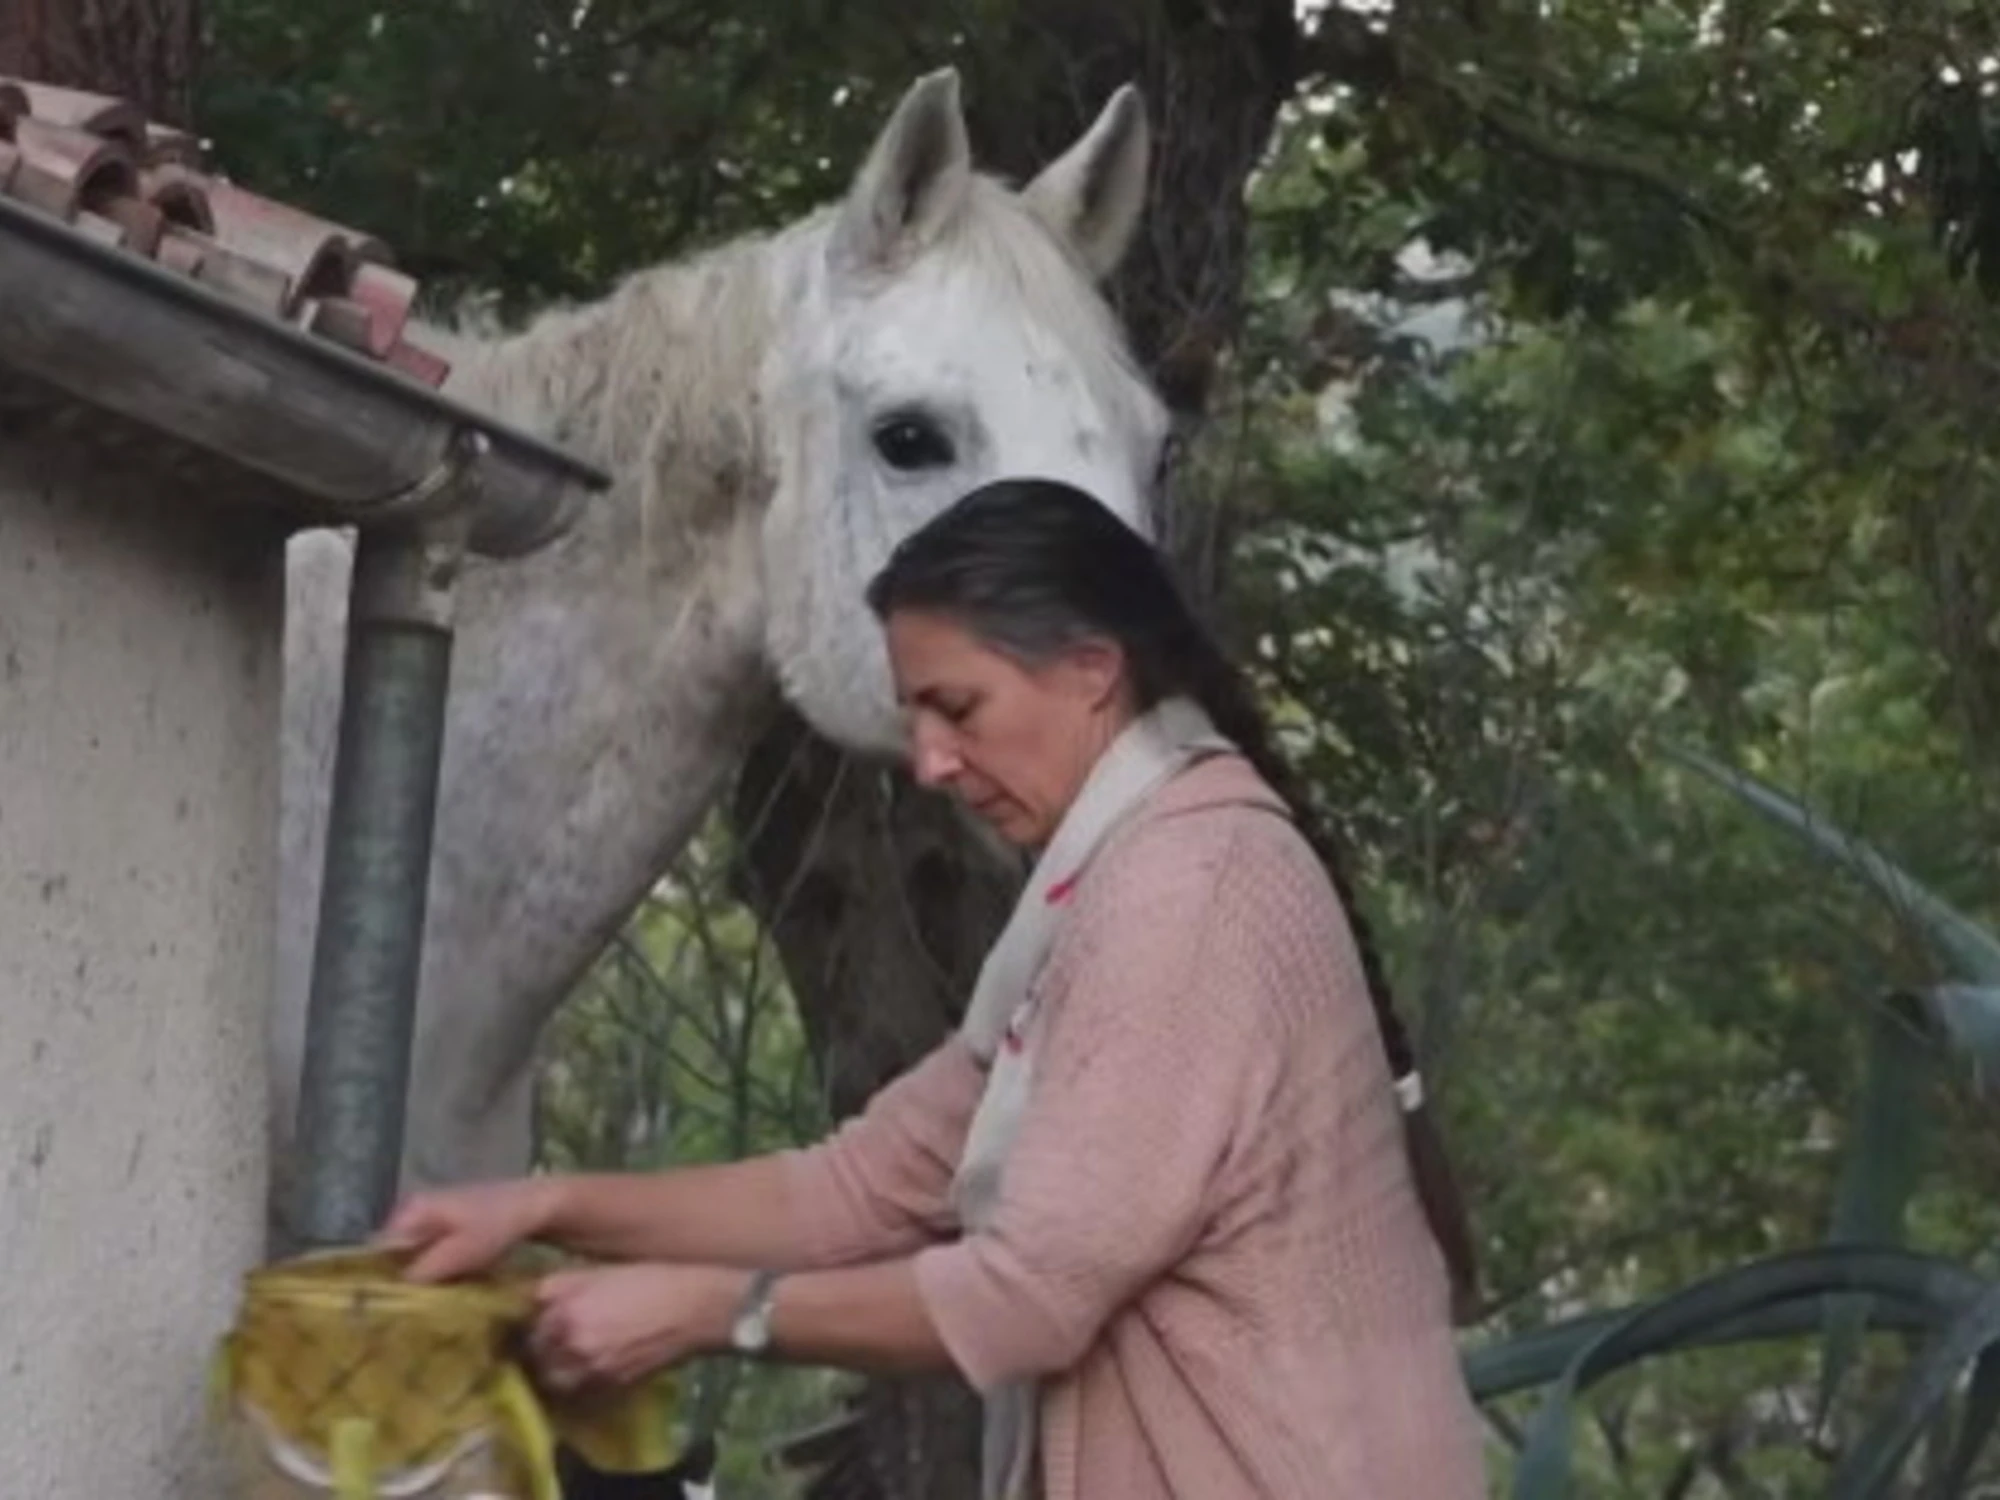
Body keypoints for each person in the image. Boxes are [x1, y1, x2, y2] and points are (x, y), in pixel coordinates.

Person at [379, 476, 1489, 1498]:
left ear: (1091, 669)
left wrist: (709, 1313)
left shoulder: (1187, 892)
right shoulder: (1106, 884)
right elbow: (855, 1190)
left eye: (957, 708)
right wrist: (547, 1207)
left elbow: (1027, 1298)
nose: (929, 762)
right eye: (914, 715)